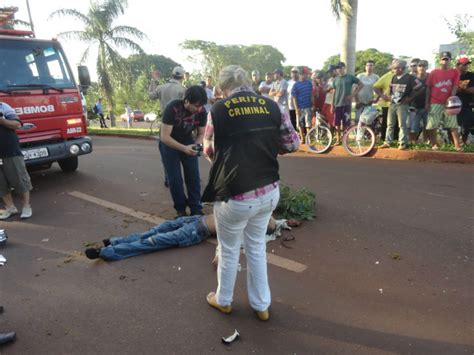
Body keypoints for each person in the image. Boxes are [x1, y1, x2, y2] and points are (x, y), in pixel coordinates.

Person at [202, 65, 300, 321]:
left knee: (229, 248)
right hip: (268, 192)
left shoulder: (218, 110)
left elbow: (209, 151)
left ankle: (224, 300)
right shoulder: (273, 106)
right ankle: (261, 305)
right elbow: (292, 143)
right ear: (249, 81)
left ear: (222, 88)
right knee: (256, 247)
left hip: (235, 196)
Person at [84, 214, 278, 261]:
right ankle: (117, 241)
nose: (268, 218)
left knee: (152, 242)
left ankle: (107, 252)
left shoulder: (246, 230)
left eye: (268, 221)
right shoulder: (254, 211)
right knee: (154, 231)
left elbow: (230, 245)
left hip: (195, 232)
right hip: (196, 219)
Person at [160, 86, 208, 218]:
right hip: (169, 143)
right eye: (196, 106)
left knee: (193, 176)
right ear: (186, 101)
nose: (199, 109)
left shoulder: (202, 112)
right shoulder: (173, 108)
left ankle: (196, 207)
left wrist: (196, 145)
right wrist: (184, 148)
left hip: (188, 141)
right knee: (174, 178)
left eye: (201, 106)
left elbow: (201, 133)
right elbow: (164, 137)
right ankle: (180, 209)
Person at [149, 66, 187, 188]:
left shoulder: (161, 88)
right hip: (179, 125)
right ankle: (186, 178)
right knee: (184, 152)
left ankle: (168, 178)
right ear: (182, 76)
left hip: (165, 125)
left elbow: (151, 95)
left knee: (167, 154)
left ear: (172, 75)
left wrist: (153, 80)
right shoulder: (182, 90)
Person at [0, 102, 33, 220]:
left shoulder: (3, 107)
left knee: (20, 179)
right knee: (1, 184)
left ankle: (26, 207)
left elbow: (17, 125)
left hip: (10, 151)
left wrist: (1, 120)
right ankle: (10, 208)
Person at [425, 51, 462, 151]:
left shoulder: (454, 72)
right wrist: (427, 102)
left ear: (450, 60)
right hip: (435, 101)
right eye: (443, 59)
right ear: (440, 60)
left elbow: (455, 86)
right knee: (433, 124)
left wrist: (451, 98)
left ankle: (457, 145)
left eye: (447, 59)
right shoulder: (434, 72)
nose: (445, 61)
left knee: (453, 124)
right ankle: (434, 144)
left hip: (449, 102)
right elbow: (428, 87)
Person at [379, 59, 416, 150]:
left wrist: (409, 98)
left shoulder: (410, 77)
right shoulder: (394, 77)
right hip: (393, 103)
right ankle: (388, 141)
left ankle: (403, 142)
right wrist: (388, 97)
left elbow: (419, 88)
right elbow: (391, 89)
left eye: (394, 68)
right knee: (390, 124)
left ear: (400, 68)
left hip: (402, 104)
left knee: (402, 124)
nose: (393, 70)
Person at [331, 61, 363, 145]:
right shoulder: (335, 79)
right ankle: (338, 140)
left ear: (344, 68)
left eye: (340, 68)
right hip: (337, 104)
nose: (339, 70)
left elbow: (361, 85)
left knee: (346, 123)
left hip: (347, 104)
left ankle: (345, 140)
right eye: (337, 68)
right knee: (337, 123)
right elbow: (334, 92)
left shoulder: (350, 77)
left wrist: (353, 95)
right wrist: (332, 105)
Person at [373, 63, 397, 142]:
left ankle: (396, 140)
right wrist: (382, 96)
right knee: (386, 123)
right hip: (387, 104)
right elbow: (376, 86)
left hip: (399, 104)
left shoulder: (403, 76)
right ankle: (384, 140)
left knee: (397, 124)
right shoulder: (386, 76)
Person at [409, 60, 430, 143]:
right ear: (417, 68)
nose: (422, 68)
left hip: (427, 106)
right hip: (414, 106)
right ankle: (412, 143)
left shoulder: (430, 77)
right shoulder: (412, 78)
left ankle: (426, 143)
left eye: (424, 66)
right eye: (420, 66)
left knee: (427, 126)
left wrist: (427, 103)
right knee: (413, 128)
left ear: (427, 67)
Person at [292, 66, 313, 140]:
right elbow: (294, 97)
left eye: (306, 74)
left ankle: (309, 138)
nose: (306, 76)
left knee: (308, 124)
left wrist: (312, 105)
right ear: (301, 74)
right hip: (300, 107)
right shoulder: (296, 85)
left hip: (307, 106)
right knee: (300, 124)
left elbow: (311, 95)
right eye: (305, 74)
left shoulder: (309, 83)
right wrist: (296, 108)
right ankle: (302, 138)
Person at [456, 57, 474, 144]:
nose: (466, 66)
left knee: (466, 125)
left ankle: (464, 142)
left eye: (467, 64)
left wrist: (460, 89)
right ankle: (455, 144)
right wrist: (463, 89)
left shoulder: (471, 75)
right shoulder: (454, 75)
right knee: (454, 125)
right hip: (454, 105)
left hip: (467, 104)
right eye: (464, 64)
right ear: (458, 65)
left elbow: (472, 90)